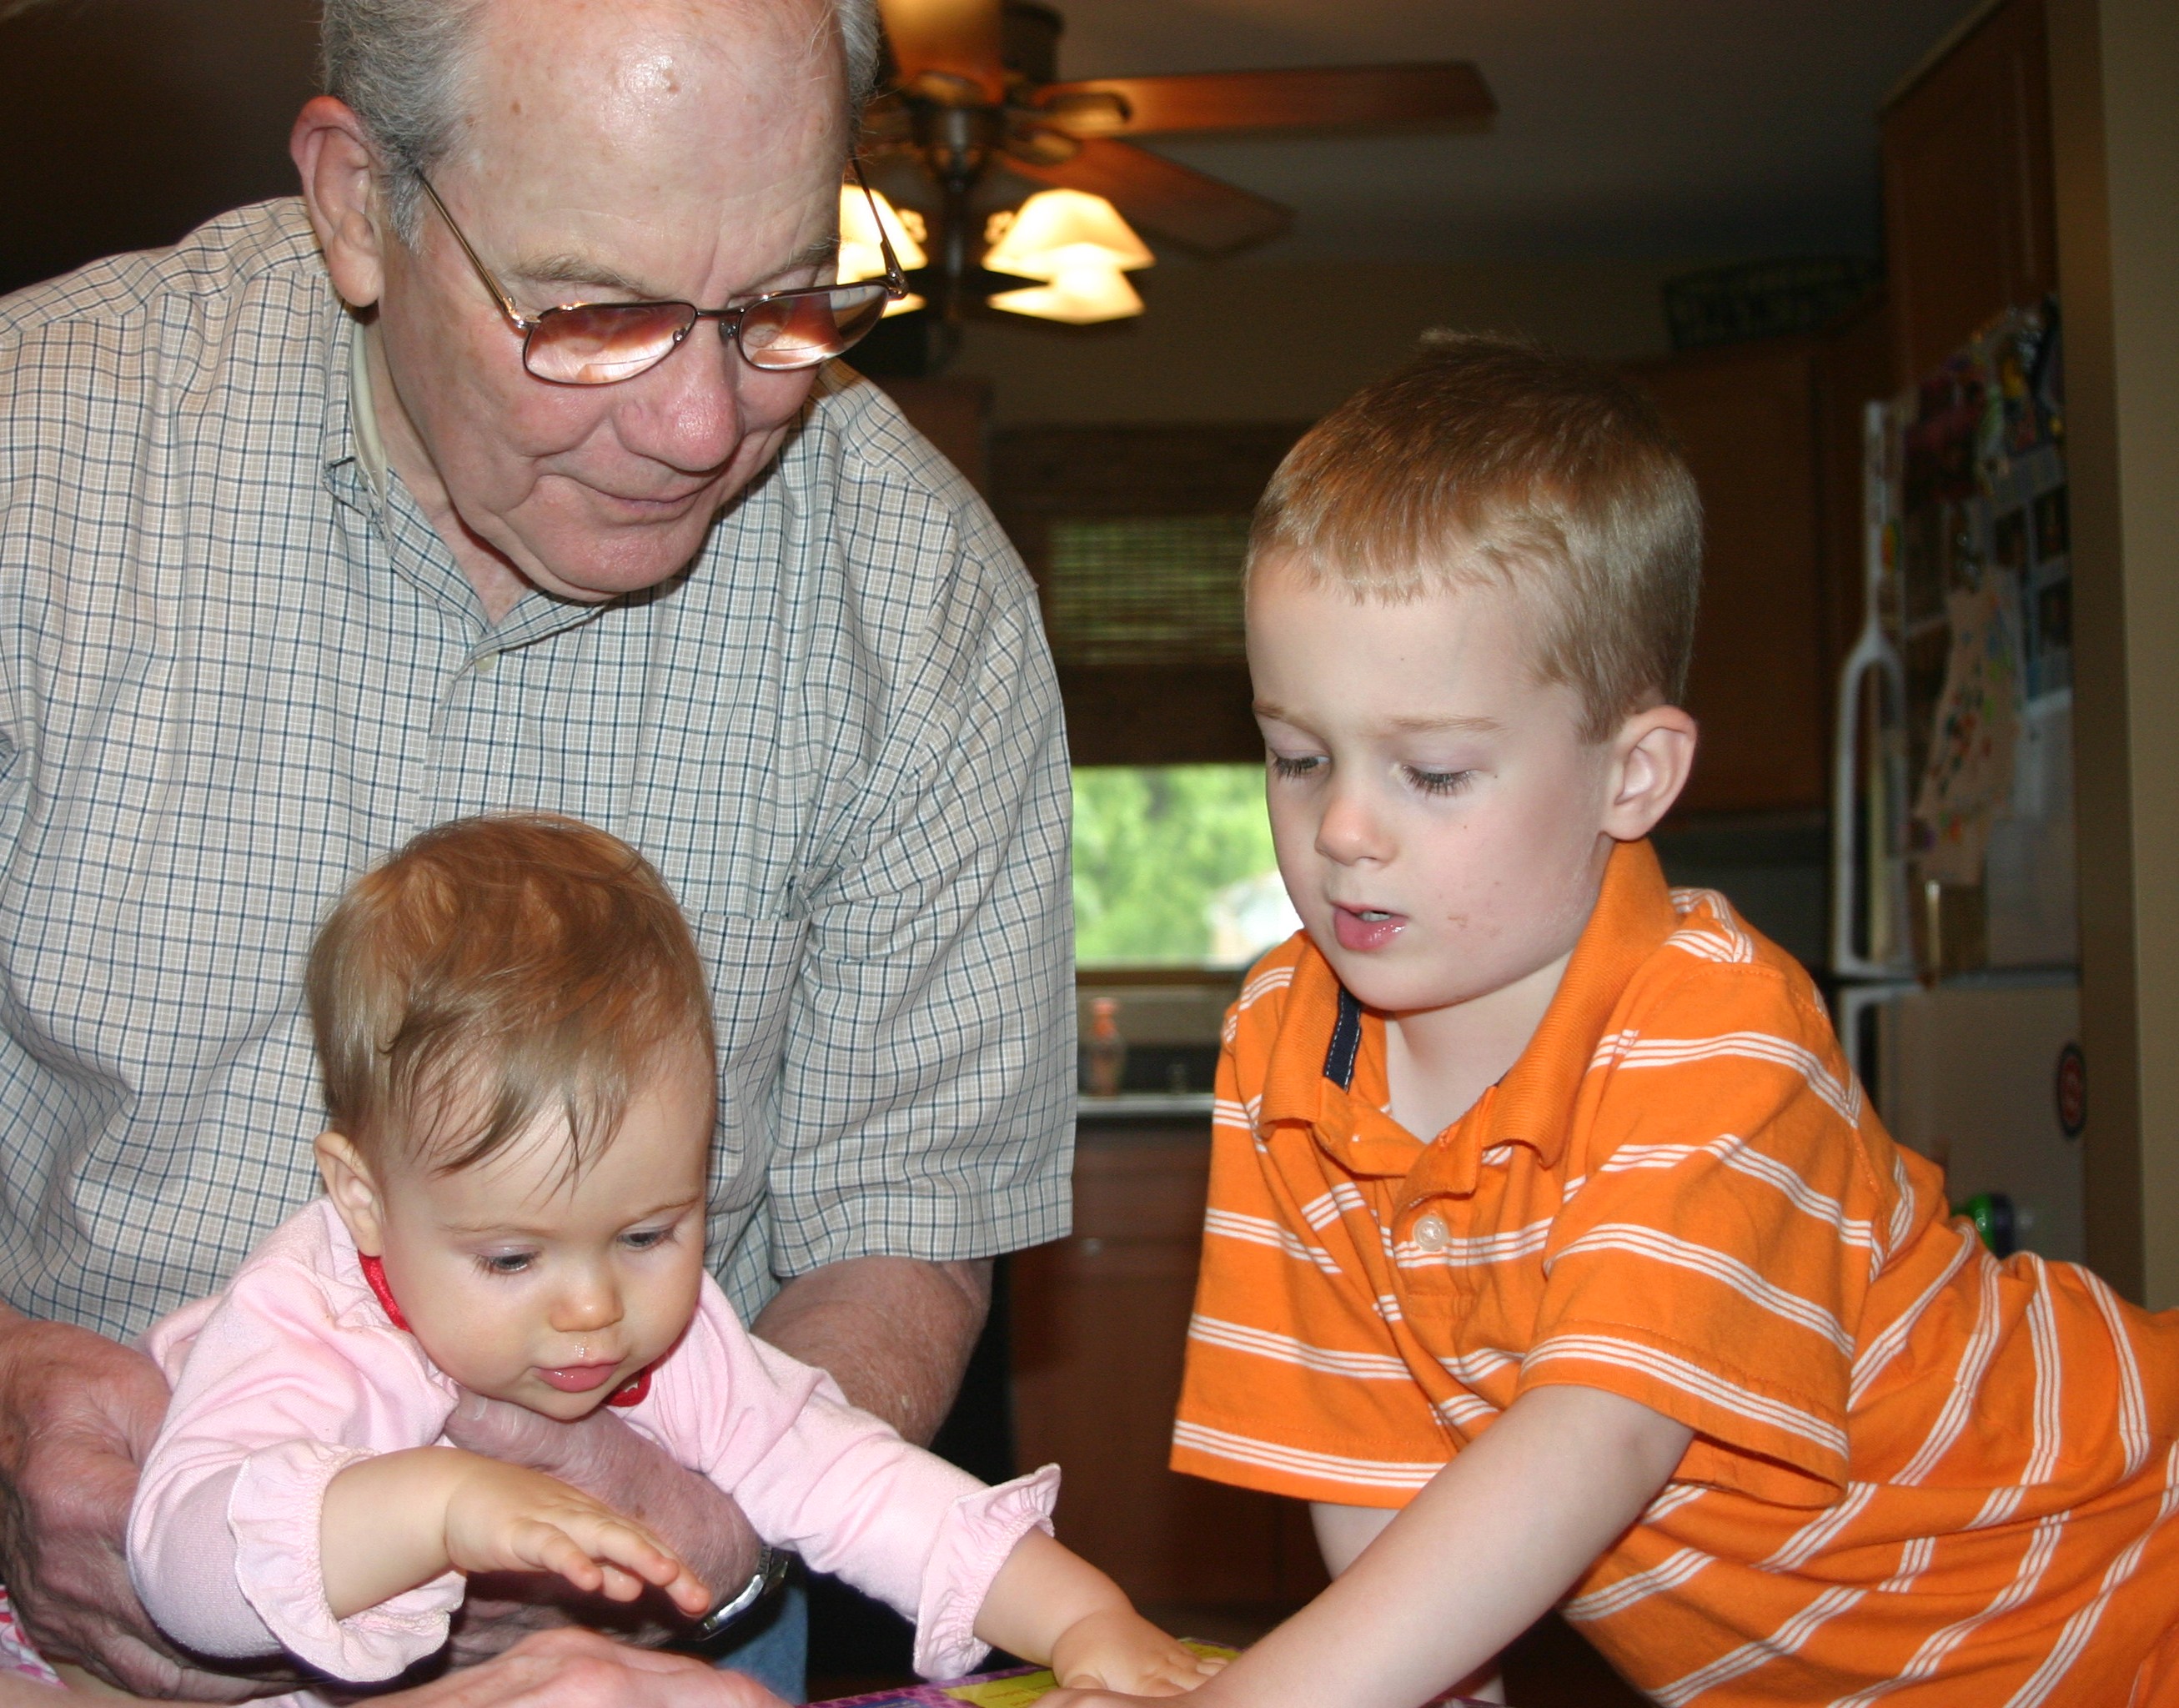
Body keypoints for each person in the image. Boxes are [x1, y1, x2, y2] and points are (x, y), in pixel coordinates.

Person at [0, 0, 1073, 1700]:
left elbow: (904, 1214)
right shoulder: (34, 466)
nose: (705, 426)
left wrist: (704, 1521)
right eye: (594, 316)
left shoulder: (921, 604)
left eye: (785, 300)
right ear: (359, 203)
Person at [1052, 334, 2179, 1707]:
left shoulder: (1713, 1029)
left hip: (2133, 1582)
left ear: (1631, 775)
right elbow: (1369, 1467)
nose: (1341, 827)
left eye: (1431, 771)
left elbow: (1596, 1440)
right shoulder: (1284, 1050)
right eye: (1297, 756)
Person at [126, 816, 1209, 1702]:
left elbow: (857, 1482)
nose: (593, 1308)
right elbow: (185, 1577)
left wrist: (1082, 1617)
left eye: (647, 1235)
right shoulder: (308, 1318)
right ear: (364, 1201)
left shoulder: (685, 1347)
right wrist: (440, 1507)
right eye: (511, 1259)